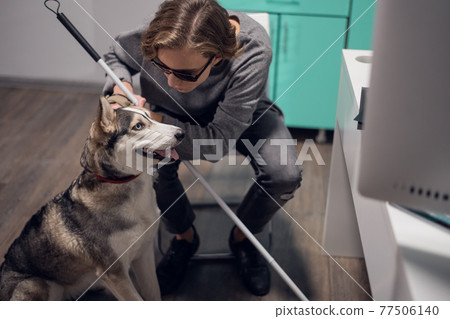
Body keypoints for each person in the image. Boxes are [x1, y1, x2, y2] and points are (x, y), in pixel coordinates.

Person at [103, 0, 302, 297]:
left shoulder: (254, 48)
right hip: (167, 111)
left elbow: (217, 141)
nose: (170, 80)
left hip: (240, 117)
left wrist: (153, 120)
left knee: (284, 173)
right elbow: (113, 57)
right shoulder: (161, 32)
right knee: (153, 167)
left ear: (219, 56)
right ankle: (184, 237)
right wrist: (120, 87)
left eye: (185, 73)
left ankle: (243, 237)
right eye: (162, 67)